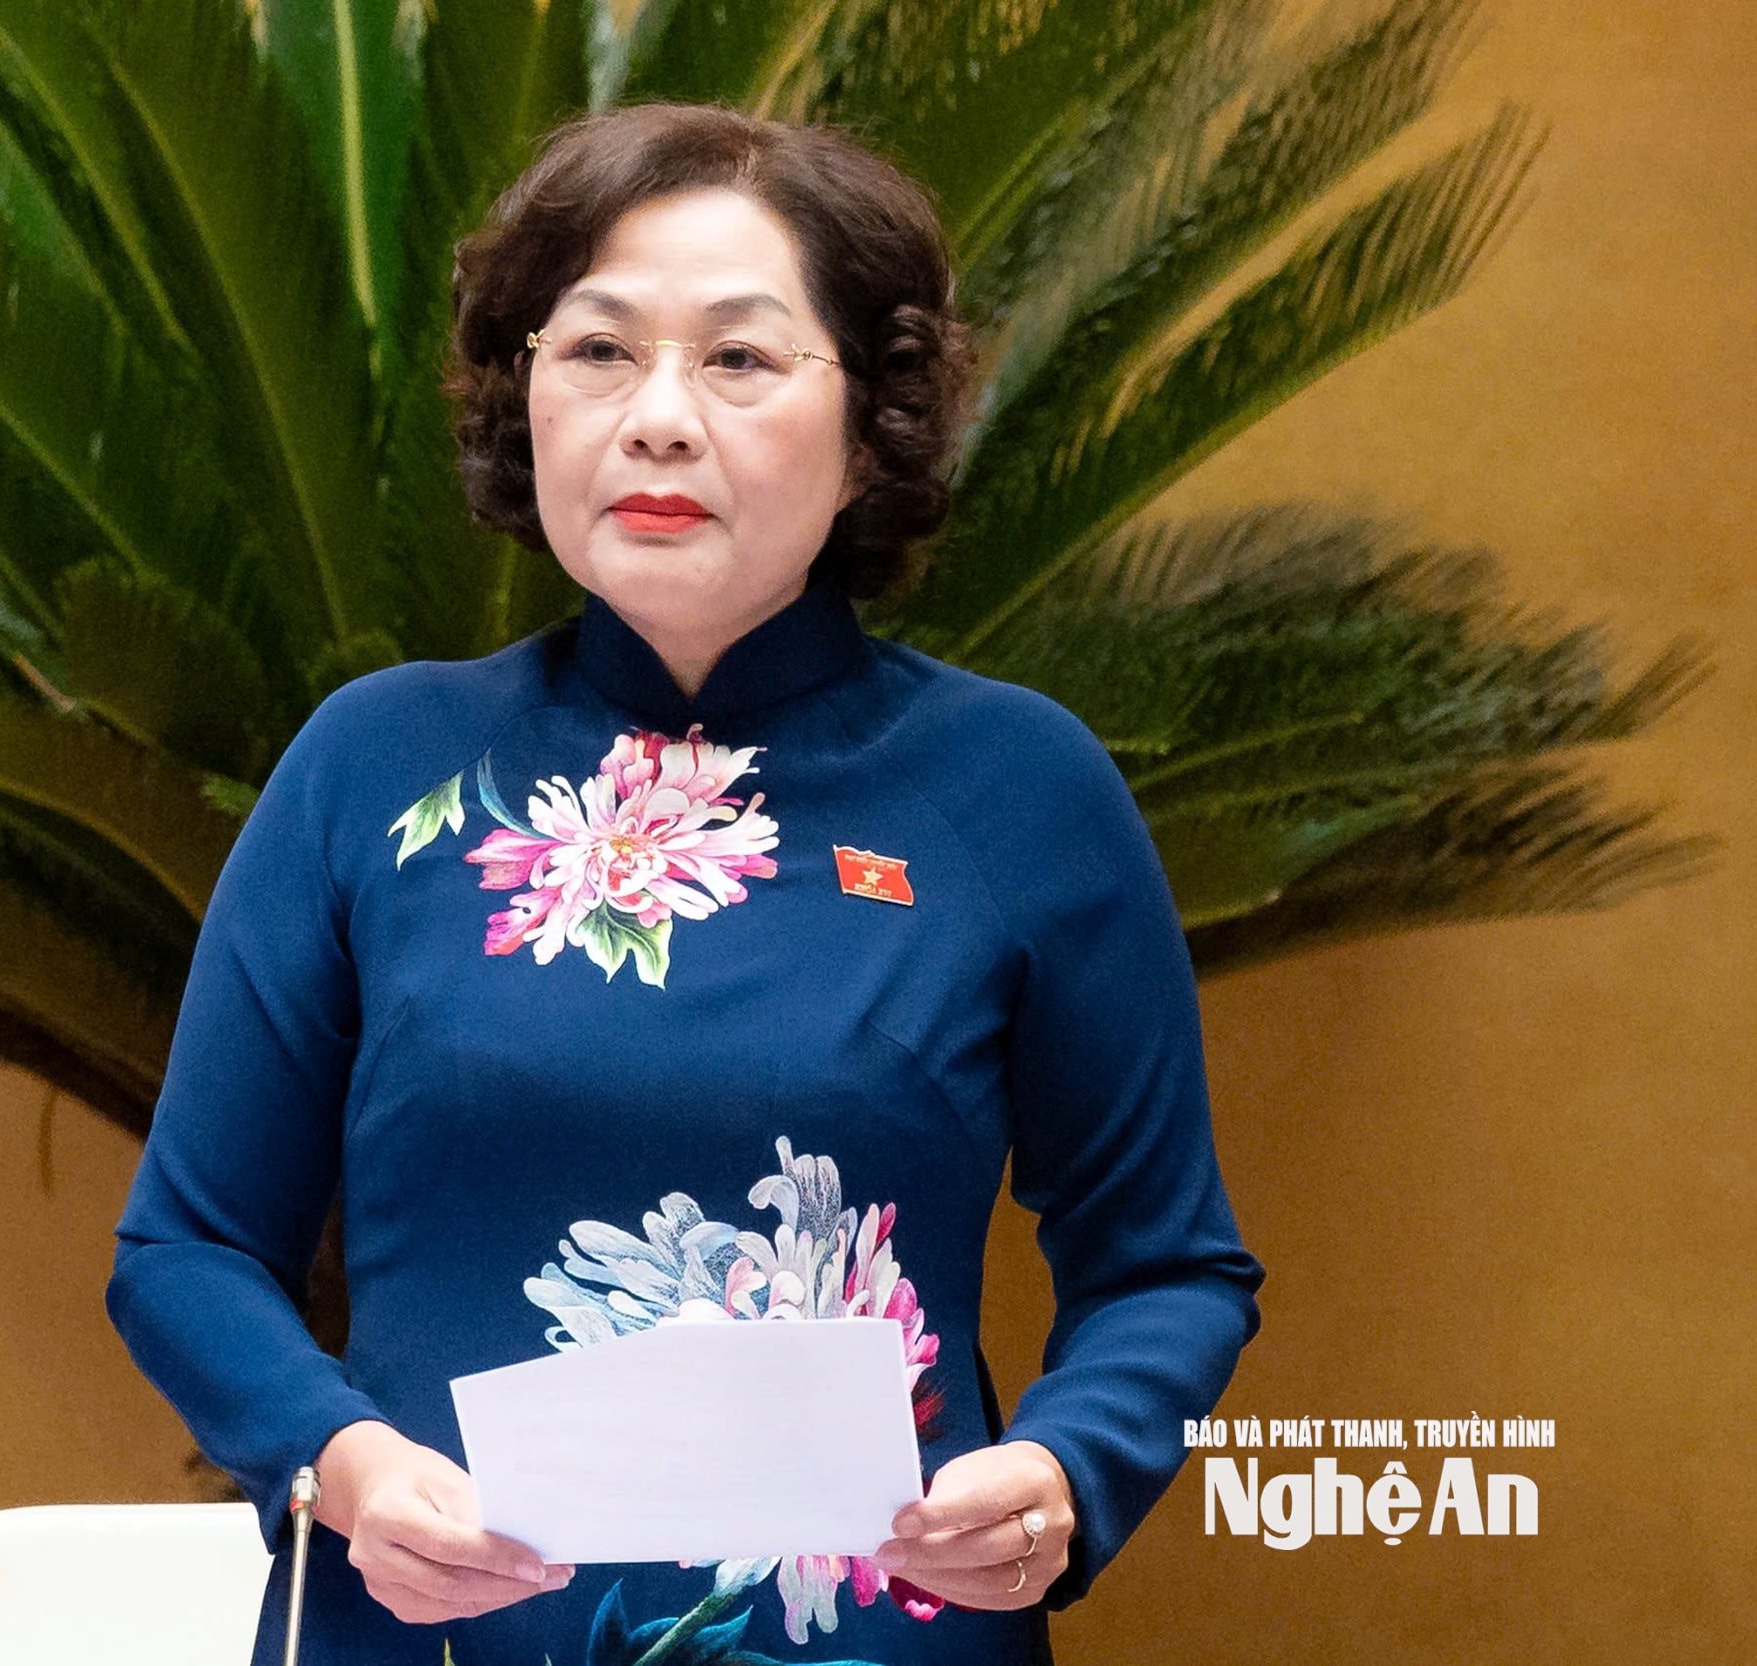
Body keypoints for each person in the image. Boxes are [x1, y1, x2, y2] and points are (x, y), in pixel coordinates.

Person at [104, 101, 1266, 1666]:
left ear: (871, 428)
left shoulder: (1019, 792)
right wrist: (343, 1464)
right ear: (525, 400)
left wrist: (1067, 1470)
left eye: (738, 357)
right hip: (424, 1632)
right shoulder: (374, 769)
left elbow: (1167, 1265)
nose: (657, 417)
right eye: (597, 350)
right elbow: (186, 1250)